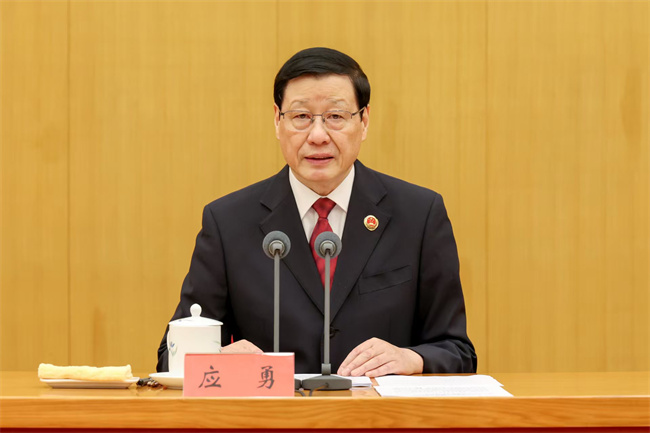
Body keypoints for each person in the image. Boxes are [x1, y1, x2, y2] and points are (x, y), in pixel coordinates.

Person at [157, 47, 477, 376]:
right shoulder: (228, 223)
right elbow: (171, 357)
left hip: (378, 408)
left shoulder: (419, 215)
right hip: (272, 408)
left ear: (364, 121)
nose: (318, 136)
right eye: (301, 117)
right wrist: (216, 359)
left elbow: (457, 351)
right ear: (278, 121)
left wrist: (412, 359)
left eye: (336, 117)